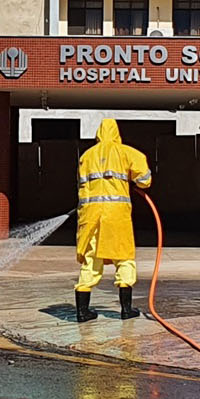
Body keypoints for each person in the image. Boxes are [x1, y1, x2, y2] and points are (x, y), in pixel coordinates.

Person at [75, 118, 152, 322]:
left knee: (91, 260)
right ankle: (126, 310)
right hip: (116, 216)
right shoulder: (126, 152)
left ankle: (82, 312)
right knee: (124, 258)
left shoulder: (86, 156)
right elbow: (145, 180)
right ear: (116, 133)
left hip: (90, 217)